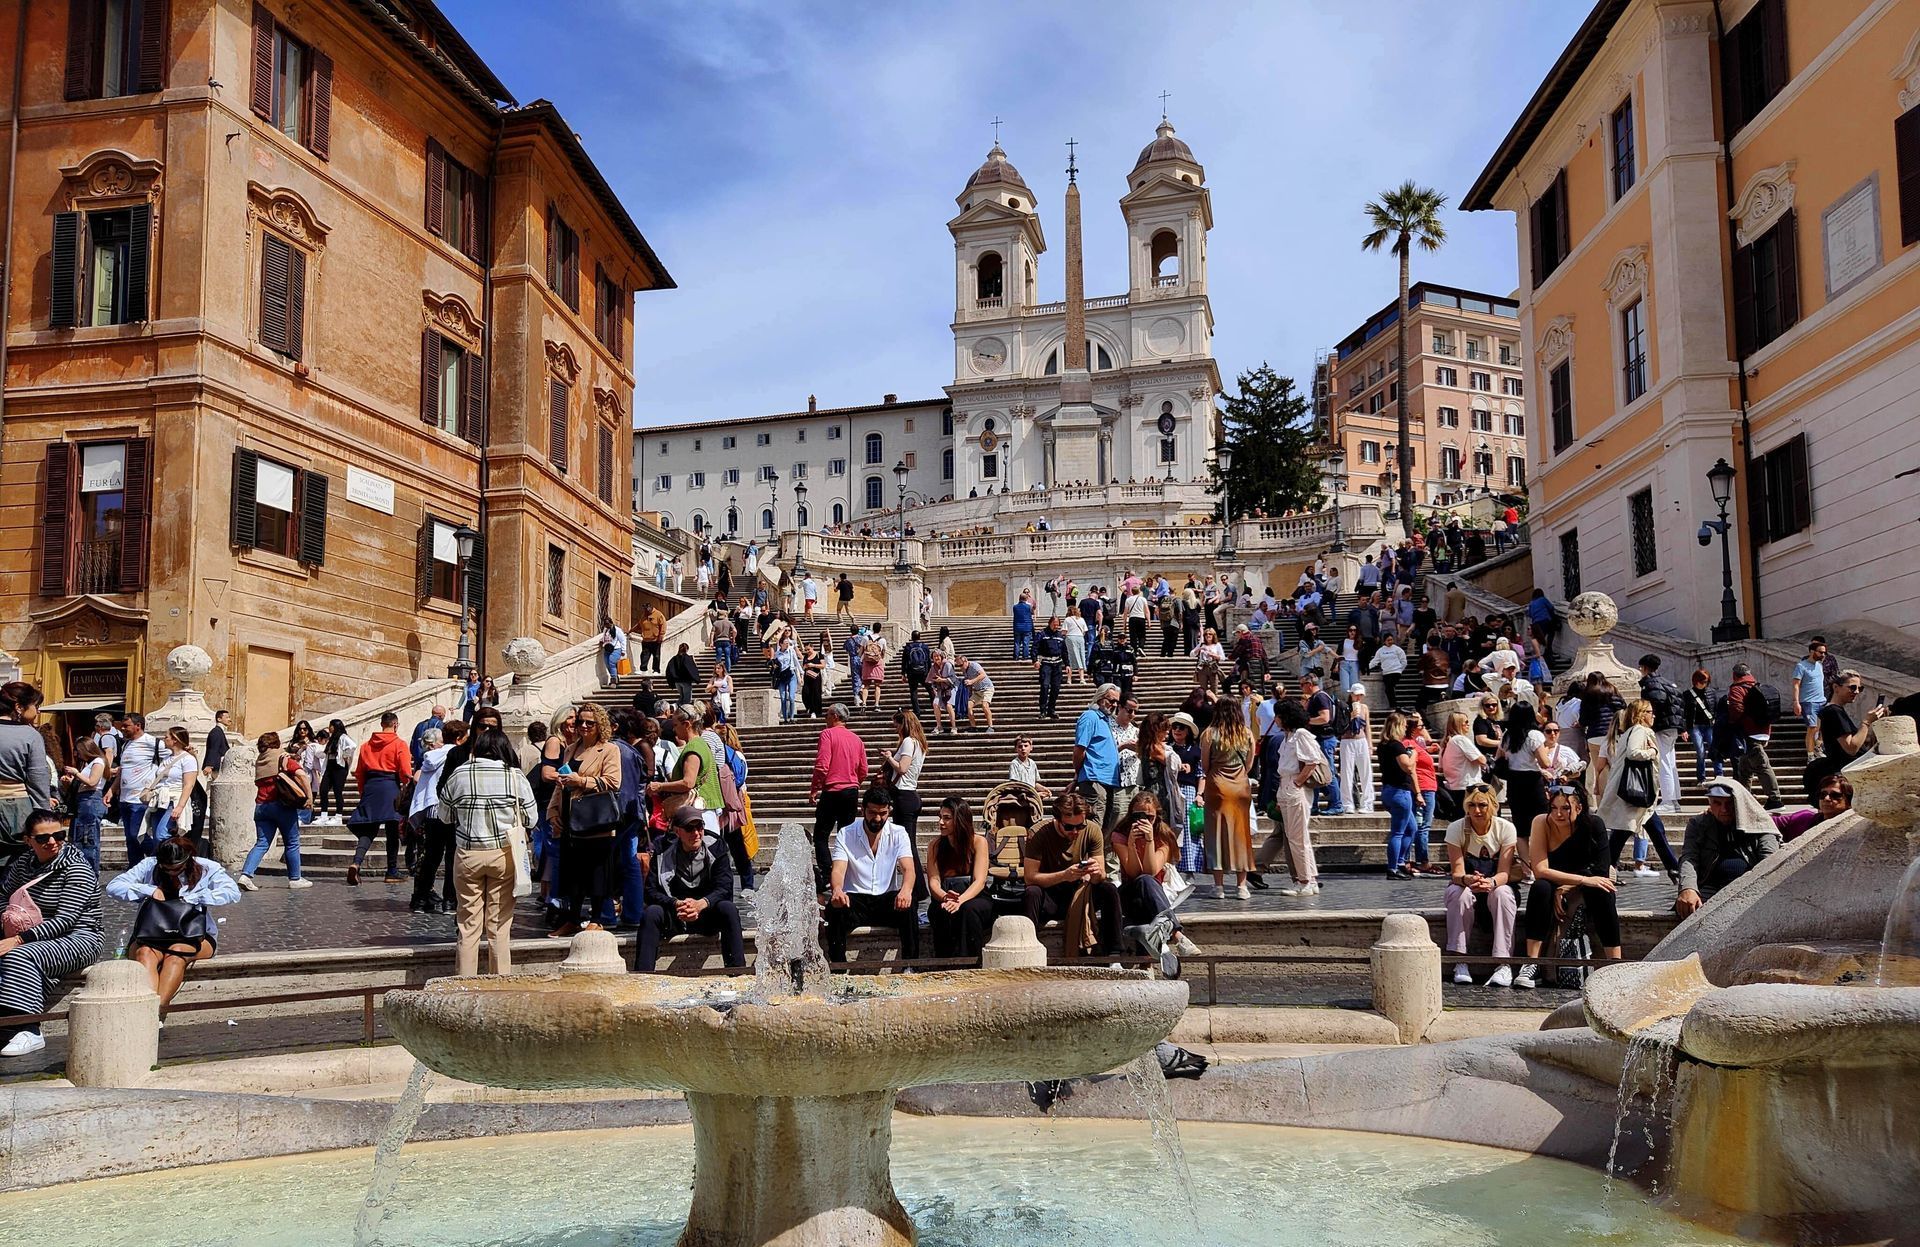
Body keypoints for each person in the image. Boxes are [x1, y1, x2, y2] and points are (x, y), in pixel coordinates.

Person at [434, 725, 539, 976]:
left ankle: (464, 986)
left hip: (468, 854)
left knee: (468, 925)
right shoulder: (515, 776)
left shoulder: (460, 774)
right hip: (504, 854)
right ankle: (501, 986)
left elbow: (445, 816)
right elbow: (532, 818)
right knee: (500, 925)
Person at [0, 811, 103, 1057]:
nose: (52, 842)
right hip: (32, 935)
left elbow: (66, 919)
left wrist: (17, 939)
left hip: (80, 938)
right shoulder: (23, 864)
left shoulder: (76, 868)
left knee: (21, 956)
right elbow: (4, 895)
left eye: (59, 835)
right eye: (44, 838)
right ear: (28, 841)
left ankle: (28, 1028)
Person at [106, 834, 240, 1016]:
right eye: (166, 869)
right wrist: (150, 889)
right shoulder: (149, 865)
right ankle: (147, 1012)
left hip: (193, 934)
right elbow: (114, 886)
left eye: (176, 868)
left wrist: (195, 898)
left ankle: (155, 1012)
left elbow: (232, 892)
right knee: (145, 953)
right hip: (152, 933)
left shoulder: (207, 868)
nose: (171, 873)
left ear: (188, 860)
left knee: (176, 953)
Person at [1514, 783, 1621, 989]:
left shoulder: (1594, 824)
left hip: (1587, 882)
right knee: (1540, 888)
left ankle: (1614, 963)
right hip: (1558, 881)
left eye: (1565, 808)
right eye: (1554, 808)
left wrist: (1570, 886)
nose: (1559, 814)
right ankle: (1532, 963)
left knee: (1602, 890)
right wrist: (1575, 882)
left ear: (1578, 808)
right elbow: (1540, 870)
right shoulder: (1541, 823)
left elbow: (1600, 869)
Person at [637, 805, 747, 972]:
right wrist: (676, 903)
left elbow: (725, 888)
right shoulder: (661, 850)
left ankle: (737, 972)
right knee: (651, 913)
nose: (696, 833)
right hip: (675, 913)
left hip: (706, 913)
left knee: (729, 909)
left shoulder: (717, 846)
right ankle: (643, 976)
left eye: (699, 827)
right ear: (677, 831)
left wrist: (702, 904)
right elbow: (650, 892)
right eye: (689, 828)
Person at [548, 703, 623, 938]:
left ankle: (598, 918)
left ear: (599, 725)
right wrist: (552, 812)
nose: (583, 726)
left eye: (589, 722)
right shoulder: (570, 749)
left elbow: (613, 782)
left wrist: (580, 781)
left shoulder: (609, 750)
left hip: (595, 818)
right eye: (580, 721)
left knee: (597, 870)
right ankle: (572, 918)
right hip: (571, 817)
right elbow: (561, 784)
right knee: (574, 872)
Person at [825, 785, 919, 962]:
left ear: (889, 811)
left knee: (910, 903)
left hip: (886, 900)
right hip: (856, 900)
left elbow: (909, 868)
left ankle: (910, 965)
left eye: (883, 813)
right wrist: (837, 889)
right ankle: (839, 967)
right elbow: (838, 869)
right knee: (834, 908)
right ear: (863, 810)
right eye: (872, 813)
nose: (877, 818)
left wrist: (906, 890)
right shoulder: (846, 833)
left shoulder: (899, 833)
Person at [1021, 791, 1123, 955]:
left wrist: (1095, 872)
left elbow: (1102, 874)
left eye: (1080, 826)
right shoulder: (1038, 833)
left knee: (1109, 889)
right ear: (1057, 820)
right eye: (1069, 827)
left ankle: (1115, 953)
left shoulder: (1092, 830)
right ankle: (1026, 948)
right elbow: (1030, 877)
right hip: (1050, 894)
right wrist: (1064, 875)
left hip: (1080, 893)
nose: (1075, 831)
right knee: (1032, 893)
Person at [1112, 793, 1198, 976]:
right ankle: (1177, 935)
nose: (1143, 821)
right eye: (1138, 816)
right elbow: (1134, 872)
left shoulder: (1164, 835)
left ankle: (1147, 964)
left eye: (1149, 817)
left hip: (1150, 898)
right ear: (1130, 815)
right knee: (1143, 881)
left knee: (1147, 888)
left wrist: (1150, 840)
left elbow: (1151, 870)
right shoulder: (1120, 834)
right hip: (1129, 893)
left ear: (1156, 816)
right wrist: (1132, 844)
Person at [1443, 785, 1520, 987]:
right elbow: (1456, 872)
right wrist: (1468, 880)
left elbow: (1504, 871)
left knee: (1503, 893)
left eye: (1482, 805)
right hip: (1467, 882)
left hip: (1497, 882)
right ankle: (1460, 959)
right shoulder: (1455, 828)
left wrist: (1491, 882)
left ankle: (1503, 962)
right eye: (1472, 805)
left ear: (1493, 806)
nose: (1477, 810)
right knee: (1457, 894)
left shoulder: (1505, 828)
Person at [1595, 699, 1678, 877]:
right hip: (1636, 795)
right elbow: (1634, 753)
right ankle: (1603, 870)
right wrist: (1652, 752)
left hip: (1637, 795)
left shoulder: (1631, 732)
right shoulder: (1640, 730)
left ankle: (1673, 868)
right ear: (1640, 714)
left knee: (1654, 832)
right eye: (1649, 711)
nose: (1653, 715)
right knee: (1623, 835)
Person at [1676, 780, 1781, 916]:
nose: (1724, 810)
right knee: (1690, 907)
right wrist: (1688, 887)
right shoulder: (1699, 824)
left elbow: (1769, 861)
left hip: (1749, 887)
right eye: (1717, 803)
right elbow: (1689, 857)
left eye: (1730, 803)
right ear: (1710, 803)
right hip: (1710, 886)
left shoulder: (1760, 825)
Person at [1257, 698, 1324, 896]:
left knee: (1297, 838)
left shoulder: (1301, 735)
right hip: (1285, 785)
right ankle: (1309, 879)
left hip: (1295, 785)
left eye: (1278, 715)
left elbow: (1312, 761)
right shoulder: (1288, 736)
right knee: (1296, 836)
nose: (1275, 719)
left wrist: (1297, 782)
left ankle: (1304, 881)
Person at [1199, 696, 1258, 900]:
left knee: (1216, 834)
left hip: (1217, 785)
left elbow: (1205, 765)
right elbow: (1249, 765)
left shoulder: (1209, 734)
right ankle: (1242, 886)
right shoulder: (1247, 734)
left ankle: (1219, 886)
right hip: (1240, 785)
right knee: (1241, 835)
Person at [925, 797, 996, 961]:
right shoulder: (934, 846)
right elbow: (933, 881)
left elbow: (979, 880)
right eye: (940, 817)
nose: (941, 822)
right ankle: (944, 963)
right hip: (947, 894)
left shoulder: (979, 842)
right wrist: (944, 896)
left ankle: (970, 962)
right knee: (941, 910)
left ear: (960, 819)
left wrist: (960, 900)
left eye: (947, 818)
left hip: (974, 895)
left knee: (968, 910)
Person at [239, 731, 313, 891]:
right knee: (292, 842)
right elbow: (302, 775)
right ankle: (295, 878)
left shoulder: (260, 761)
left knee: (262, 843)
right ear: (276, 743)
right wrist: (309, 797)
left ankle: (245, 875)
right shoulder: (282, 758)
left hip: (261, 806)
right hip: (281, 805)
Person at [809, 704, 869, 889]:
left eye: (827, 714)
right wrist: (854, 782)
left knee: (821, 835)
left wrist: (814, 788)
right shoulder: (856, 739)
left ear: (834, 716)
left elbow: (822, 765)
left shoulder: (827, 734)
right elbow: (864, 770)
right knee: (846, 834)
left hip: (832, 790)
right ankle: (846, 873)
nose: (825, 718)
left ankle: (828, 874)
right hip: (851, 791)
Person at [348, 711, 411, 886]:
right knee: (392, 831)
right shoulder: (399, 744)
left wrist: (363, 792)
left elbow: (359, 773)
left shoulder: (366, 746)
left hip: (371, 787)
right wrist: (407, 788)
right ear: (396, 725)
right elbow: (405, 772)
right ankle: (391, 871)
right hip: (390, 787)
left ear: (381, 724)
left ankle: (356, 862)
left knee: (368, 830)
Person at [408, 720, 465, 913]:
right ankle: (450, 901)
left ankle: (420, 899)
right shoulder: (457, 755)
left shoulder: (431, 756)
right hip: (451, 811)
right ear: (459, 738)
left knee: (430, 857)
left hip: (432, 811)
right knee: (452, 857)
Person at [109, 710, 167, 867]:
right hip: (124, 799)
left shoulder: (153, 743)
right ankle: (136, 868)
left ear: (138, 726)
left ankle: (162, 859)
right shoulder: (126, 744)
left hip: (140, 799)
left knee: (137, 835)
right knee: (129, 838)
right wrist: (112, 789)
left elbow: (173, 758)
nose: (122, 728)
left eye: (126, 726)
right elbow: (123, 769)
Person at [1725, 663, 1783, 808]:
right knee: (1744, 768)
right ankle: (1743, 798)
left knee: (1762, 765)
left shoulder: (1737, 688)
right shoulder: (1756, 686)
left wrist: (1732, 722)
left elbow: (1736, 709)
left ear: (1734, 675)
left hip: (1748, 733)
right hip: (1761, 732)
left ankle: (1775, 799)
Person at [1073, 684, 1123, 832]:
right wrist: (1079, 772)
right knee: (1093, 825)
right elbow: (1079, 749)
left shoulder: (1106, 720)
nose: (1113, 705)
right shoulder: (1090, 717)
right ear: (1100, 698)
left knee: (1103, 827)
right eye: (1110, 700)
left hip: (1108, 780)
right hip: (1094, 779)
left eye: (1116, 702)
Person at [1378, 710, 1421, 880]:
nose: (1405, 729)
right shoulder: (1396, 745)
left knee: (1412, 828)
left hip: (1389, 790)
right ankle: (1393, 868)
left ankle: (1400, 862)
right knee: (1398, 832)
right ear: (1397, 727)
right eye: (1403, 726)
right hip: (1399, 792)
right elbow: (1408, 767)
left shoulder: (1383, 745)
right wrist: (1414, 754)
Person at [61, 739, 109, 871]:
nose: (77, 754)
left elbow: (92, 782)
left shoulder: (98, 762)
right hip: (83, 800)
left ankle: (90, 873)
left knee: (88, 839)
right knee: (79, 838)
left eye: (79, 750)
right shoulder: (89, 764)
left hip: (90, 800)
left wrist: (76, 773)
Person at [883, 710, 928, 842]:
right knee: (908, 842)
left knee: (905, 843)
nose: (896, 730)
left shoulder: (908, 742)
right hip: (910, 794)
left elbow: (902, 768)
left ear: (904, 724)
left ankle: (912, 863)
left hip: (904, 794)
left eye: (896, 726)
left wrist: (889, 757)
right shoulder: (919, 743)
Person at [1775, 773, 1853, 843]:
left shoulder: (1854, 829)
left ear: (1850, 801)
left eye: (1835, 795)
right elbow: (1767, 822)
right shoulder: (1803, 818)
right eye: (1823, 794)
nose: (1826, 798)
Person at [1439, 711, 1487, 821]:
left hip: (1453, 786)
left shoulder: (1445, 743)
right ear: (1459, 724)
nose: (1468, 724)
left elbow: (1440, 768)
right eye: (1466, 722)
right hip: (1468, 786)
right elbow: (1481, 760)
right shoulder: (1461, 740)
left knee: (1459, 821)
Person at [1337, 685, 1374, 816]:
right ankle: (1347, 803)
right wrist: (1351, 716)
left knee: (1366, 773)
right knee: (1346, 773)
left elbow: (1367, 727)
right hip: (1347, 740)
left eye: (1360, 695)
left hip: (1361, 740)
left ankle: (1368, 803)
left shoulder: (1364, 708)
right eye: (1356, 694)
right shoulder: (1343, 706)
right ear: (1351, 694)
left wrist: (1370, 745)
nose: (1358, 697)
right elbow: (1339, 725)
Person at [1791, 638, 1829, 761]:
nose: (1823, 655)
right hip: (1808, 701)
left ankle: (1818, 746)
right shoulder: (1801, 666)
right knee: (1812, 727)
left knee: (1824, 726)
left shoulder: (1819, 665)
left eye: (1824, 652)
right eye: (1820, 652)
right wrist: (1796, 702)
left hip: (1821, 700)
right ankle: (1810, 755)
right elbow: (1796, 684)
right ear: (1812, 651)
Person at [317, 718, 354, 824]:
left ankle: (338, 816)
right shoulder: (332, 738)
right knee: (323, 790)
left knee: (338, 791)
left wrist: (345, 755)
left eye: (331, 726)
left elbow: (352, 746)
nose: (329, 728)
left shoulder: (342, 737)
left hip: (339, 767)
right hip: (330, 766)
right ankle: (324, 815)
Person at [1033, 617, 1068, 720]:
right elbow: (1035, 647)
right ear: (1050, 623)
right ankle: (1042, 710)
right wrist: (1035, 660)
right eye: (1054, 624)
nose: (1056, 626)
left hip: (1057, 664)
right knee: (1044, 686)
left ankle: (1051, 710)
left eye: (1057, 624)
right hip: (1046, 664)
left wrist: (1067, 665)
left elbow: (1064, 651)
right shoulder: (1042, 634)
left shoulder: (1060, 635)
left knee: (1056, 688)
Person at [958, 654, 995, 732]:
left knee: (985, 706)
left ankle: (991, 726)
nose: (960, 667)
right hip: (977, 691)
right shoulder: (965, 671)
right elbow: (969, 684)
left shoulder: (974, 665)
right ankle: (973, 727)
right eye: (959, 666)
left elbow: (983, 675)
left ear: (966, 661)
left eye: (961, 665)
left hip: (987, 688)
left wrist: (972, 681)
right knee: (968, 706)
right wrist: (969, 694)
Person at [1368, 636, 1407, 707]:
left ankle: (1393, 705)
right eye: (1388, 640)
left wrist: (1400, 670)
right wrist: (1367, 668)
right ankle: (1394, 705)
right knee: (1389, 689)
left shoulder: (1397, 649)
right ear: (1384, 641)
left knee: (1389, 688)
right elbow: (1375, 661)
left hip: (1396, 672)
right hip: (1386, 673)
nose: (1390, 641)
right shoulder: (1380, 651)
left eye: (1391, 640)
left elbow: (1404, 661)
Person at [901, 631, 933, 716]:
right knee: (930, 690)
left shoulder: (908, 647)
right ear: (920, 637)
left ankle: (917, 711)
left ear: (912, 637)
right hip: (924, 672)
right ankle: (934, 706)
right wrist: (930, 671)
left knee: (914, 692)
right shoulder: (925, 647)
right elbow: (928, 661)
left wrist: (903, 674)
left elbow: (904, 661)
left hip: (911, 673)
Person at [409, 704, 447, 769]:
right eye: (444, 715)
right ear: (441, 715)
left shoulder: (419, 725)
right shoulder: (441, 725)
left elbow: (412, 745)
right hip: (433, 762)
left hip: (419, 761)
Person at [859, 632, 887, 713]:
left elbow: (860, 652)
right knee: (877, 685)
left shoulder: (865, 638)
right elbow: (883, 653)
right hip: (877, 664)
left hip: (866, 663)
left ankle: (864, 704)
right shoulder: (882, 640)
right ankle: (876, 704)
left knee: (866, 685)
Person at [638, 603, 667, 673]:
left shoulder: (658, 615)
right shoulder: (644, 616)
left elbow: (663, 625)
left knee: (656, 656)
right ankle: (643, 669)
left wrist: (661, 636)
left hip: (655, 640)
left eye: (646, 609)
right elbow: (639, 625)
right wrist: (631, 630)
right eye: (644, 610)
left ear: (650, 608)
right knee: (644, 655)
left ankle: (656, 670)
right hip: (646, 640)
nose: (645, 611)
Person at [1012, 588, 1036, 660]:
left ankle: (1016, 656)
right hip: (1027, 627)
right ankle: (1025, 656)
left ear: (1019, 599)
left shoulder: (1015, 607)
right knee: (1026, 643)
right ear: (1026, 599)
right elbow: (1031, 613)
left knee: (1017, 643)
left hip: (1017, 627)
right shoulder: (1029, 607)